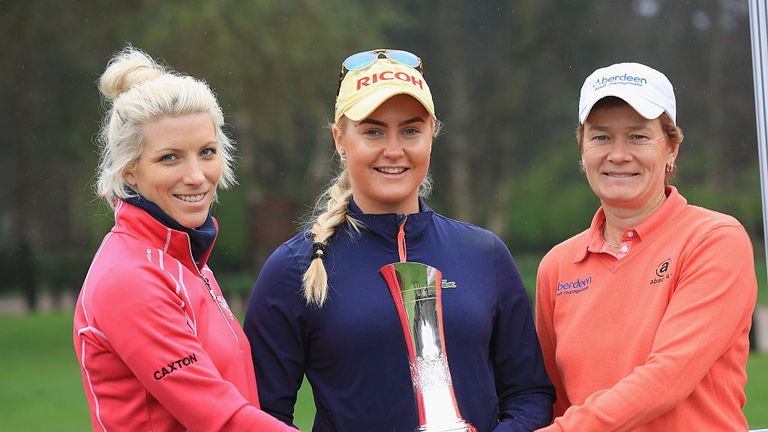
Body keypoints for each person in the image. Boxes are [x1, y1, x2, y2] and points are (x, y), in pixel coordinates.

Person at [243, 49, 555, 431]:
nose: (394, 150)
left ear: (432, 135)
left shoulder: (485, 254)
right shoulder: (294, 268)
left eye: (411, 130)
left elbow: (529, 394)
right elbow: (260, 416)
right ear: (340, 139)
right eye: (373, 131)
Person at [72, 46, 294, 432]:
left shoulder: (185, 260)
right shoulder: (130, 278)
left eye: (206, 152)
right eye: (170, 158)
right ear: (130, 172)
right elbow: (221, 419)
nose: (196, 175)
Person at [535, 62, 758, 431]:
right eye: (601, 137)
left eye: (638, 136)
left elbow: (667, 377)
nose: (618, 154)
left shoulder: (715, 239)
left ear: (671, 149)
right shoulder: (557, 266)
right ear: (582, 149)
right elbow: (554, 399)